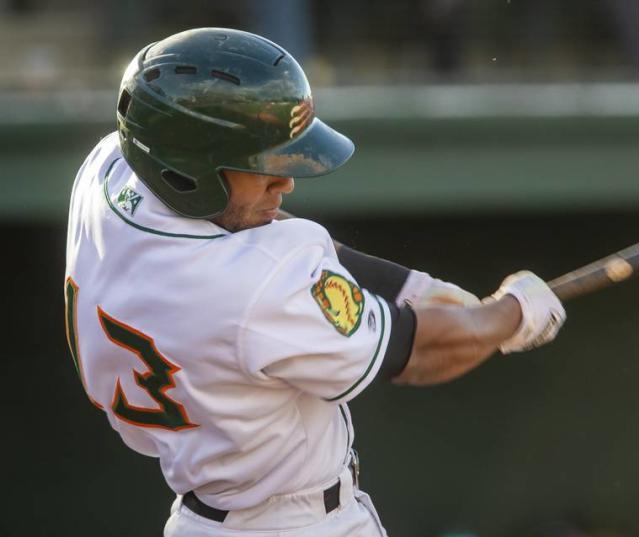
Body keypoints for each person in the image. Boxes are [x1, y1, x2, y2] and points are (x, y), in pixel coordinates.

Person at [63, 27, 566, 536]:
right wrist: (512, 313)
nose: (285, 182)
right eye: (261, 167)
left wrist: (411, 287)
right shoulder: (252, 287)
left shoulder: (111, 170)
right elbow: (422, 354)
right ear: (189, 175)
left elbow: (265, 237)